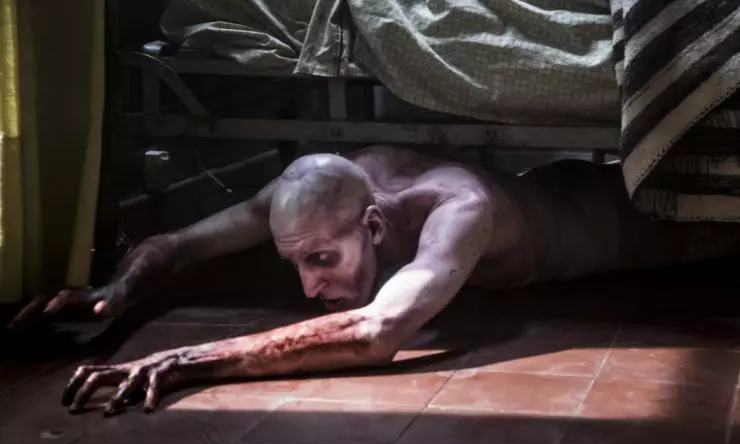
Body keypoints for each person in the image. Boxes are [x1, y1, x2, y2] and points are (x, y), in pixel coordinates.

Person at [11, 145, 740, 415]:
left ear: (373, 225)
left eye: (321, 261)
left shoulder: (460, 206)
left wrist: (185, 360)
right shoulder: (317, 193)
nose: (307, 287)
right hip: (569, 186)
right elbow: (177, 244)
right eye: (296, 263)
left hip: (651, 227)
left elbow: (378, 331)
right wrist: (112, 293)